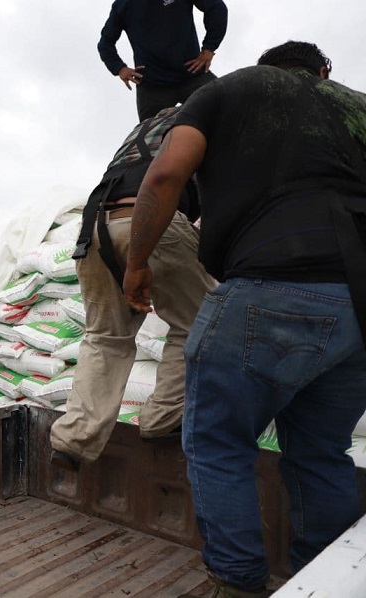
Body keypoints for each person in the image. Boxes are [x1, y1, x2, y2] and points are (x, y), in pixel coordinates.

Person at [123, 41, 366, 597]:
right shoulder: (357, 105)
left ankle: (237, 584)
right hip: (359, 305)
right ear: (323, 71)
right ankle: (324, 582)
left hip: (272, 281)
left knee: (217, 440)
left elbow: (165, 175)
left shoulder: (231, 89)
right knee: (323, 450)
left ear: (267, 68)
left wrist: (137, 264)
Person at [49, 106, 215, 465]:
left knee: (105, 336)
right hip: (152, 220)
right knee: (201, 320)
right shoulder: (205, 120)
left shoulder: (147, 126)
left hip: (94, 229)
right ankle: (162, 418)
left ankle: (73, 440)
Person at [98, 0, 228, 121]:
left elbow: (217, 8)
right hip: (152, 88)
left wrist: (209, 48)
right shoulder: (123, 5)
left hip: (193, 75)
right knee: (150, 140)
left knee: (227, 110)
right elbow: (105, 44)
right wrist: (119, 68)